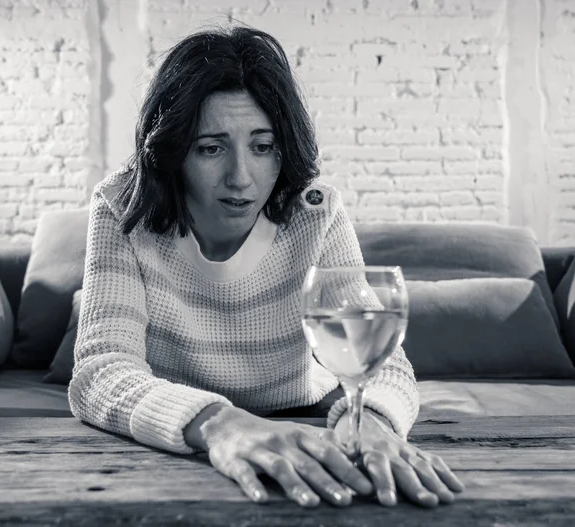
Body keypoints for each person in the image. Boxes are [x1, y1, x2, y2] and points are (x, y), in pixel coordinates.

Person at [68, 25, 464, 509]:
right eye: (211, 148)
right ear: (173, 150)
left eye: (262, 146)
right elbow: (100, 371)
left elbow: (381, 363)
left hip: (307, 422)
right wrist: (221, 423)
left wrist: (370, 423)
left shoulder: (314, 215)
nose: (241, 178)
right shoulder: (120, 207)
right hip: (181, 437)